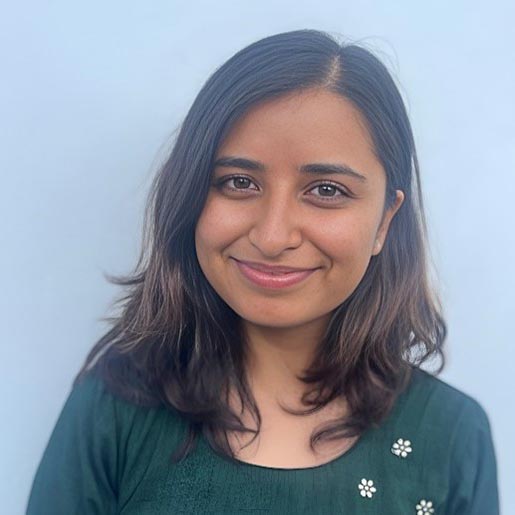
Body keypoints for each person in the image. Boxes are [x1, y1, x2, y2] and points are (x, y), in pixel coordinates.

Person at [26, 29, 500, 514]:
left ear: (384, 220)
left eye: (327, 191)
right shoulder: (114, 408)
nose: (273, 237)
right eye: (239, 182)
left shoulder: (452, 436)